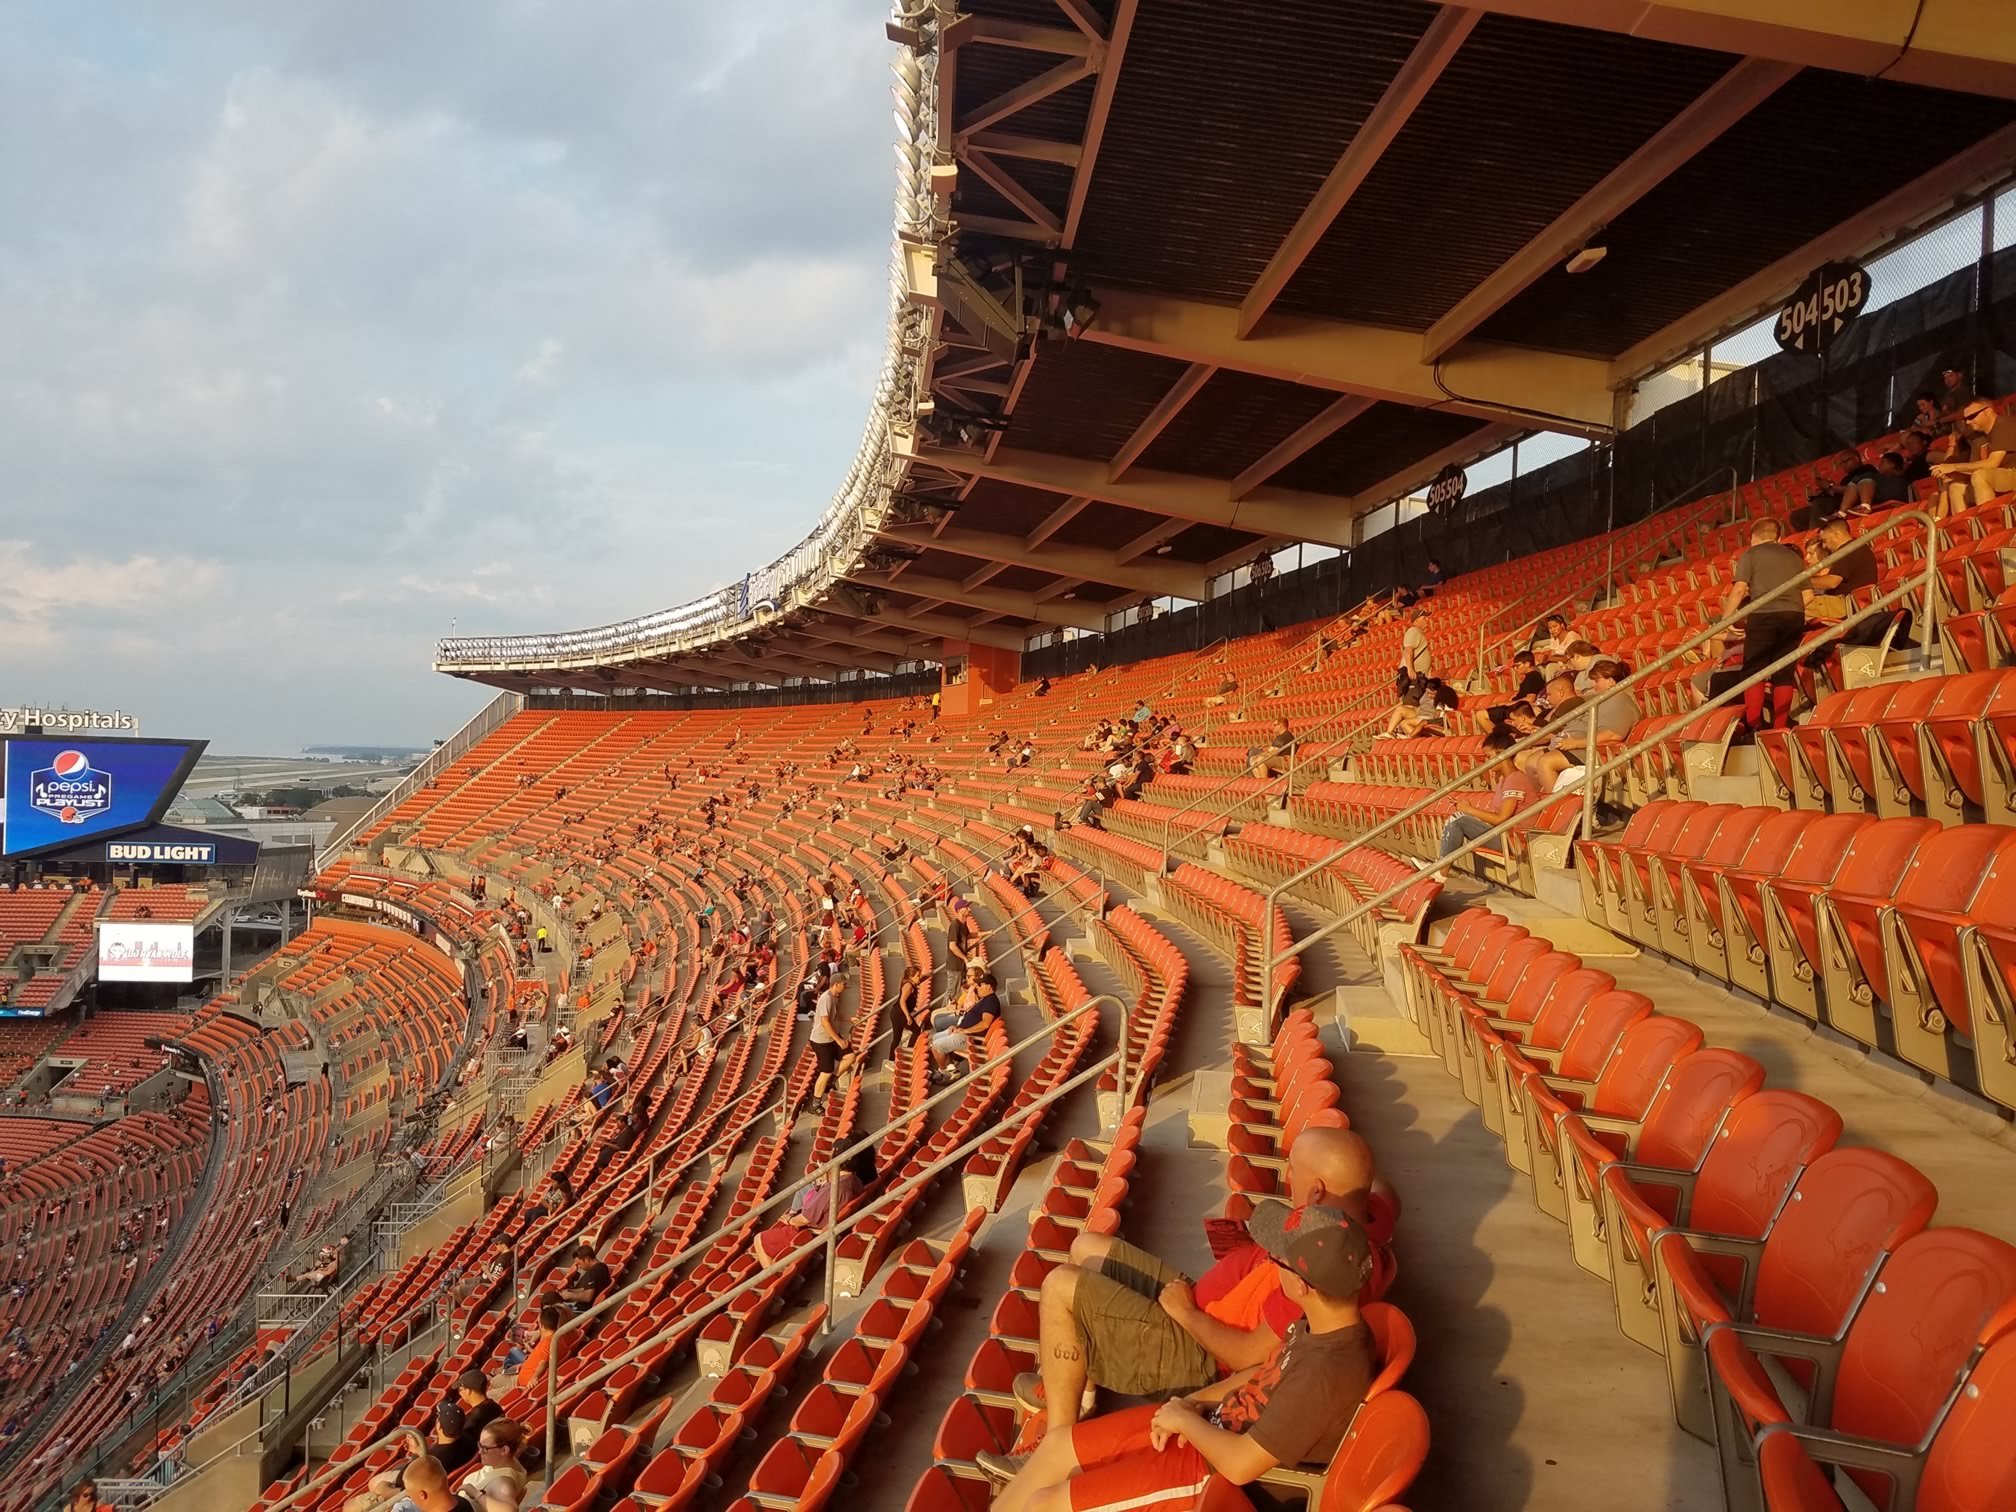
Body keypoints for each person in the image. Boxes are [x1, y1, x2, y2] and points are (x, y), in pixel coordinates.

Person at [994, 1128, 1391, 1464]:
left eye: (1293, 1174)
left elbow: (1245, 1357)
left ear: (1318, 1192)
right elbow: (1382, 1192)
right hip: (1201, 1303)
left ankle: (1055, 1448)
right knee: (1087, 1248)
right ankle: (1081, 1391)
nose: (1288, 1180)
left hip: (1199, 1350)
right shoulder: (1357, 1219)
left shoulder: (1314, 1272)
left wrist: (1184, 1313)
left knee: (1059, 1285)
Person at [981, 1201, 1380, 1507]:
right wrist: (1188, 1403)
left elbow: (1241, 1465)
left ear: (1303, 1285)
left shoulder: (1326, 1374)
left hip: (1211, 1474)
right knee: (1058, 1446)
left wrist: (1186, 1423)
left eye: (1277, 1261)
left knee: (1045, 1504)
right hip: (1208, 1424)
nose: (1272, 1269)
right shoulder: (1320, 1324)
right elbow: (1259, 1372)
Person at [1723, 517, 1807, 732]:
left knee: (1754, 671)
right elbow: (1807, 595)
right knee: (1783, 672)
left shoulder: (1751, 554)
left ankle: (1754, 724)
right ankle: (1780, 726)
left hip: (1764, 615)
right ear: (1778, 537)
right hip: (1794, 615)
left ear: (1753, 538)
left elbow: (1739, 589)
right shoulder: (1794, 557)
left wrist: (1726, 620)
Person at [756, 1147, 877, 1262]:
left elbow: (805, 1219)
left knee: (759, 1239)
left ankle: (773, 1277)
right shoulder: (855, 1180)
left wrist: (789, 1220)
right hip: (824, 1225)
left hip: (807, 1231)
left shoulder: (834, 1188)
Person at [1438, 730, 1542, 860]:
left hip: (1516, 841)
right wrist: (1470, 811)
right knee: (1460, 817)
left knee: (1458, 819)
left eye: (1489, 757)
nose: (1486, 761)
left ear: (1502, 754)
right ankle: (1440, 869)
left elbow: (1501, 819)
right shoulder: (1503, 780)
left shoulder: (1516, 780)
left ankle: (1440, 871)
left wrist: (1469, 810)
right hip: (1506, 835)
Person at [1933, 398, 2016, 516]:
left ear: (1987, 411)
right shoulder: (1979, 439)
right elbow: (1973, 469)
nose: (1967, 422)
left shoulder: (2003, 424)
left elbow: (1992, 464)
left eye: (1972, 416)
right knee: (1956, 488)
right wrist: (1949, 474)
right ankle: (1970, 532)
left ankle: (1991, 525)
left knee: (1981, 475)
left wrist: (1954, 467)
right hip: (2000, 477)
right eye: (1965, 419)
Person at [930, 971, 1002, 1081]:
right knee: (935, 1037)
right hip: (964, 1032)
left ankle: (944, 1072)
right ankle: (951, 1069)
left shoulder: (991, 1001)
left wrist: (965, 1031)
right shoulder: (985, 999)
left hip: (970, 1038)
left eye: (980, 985)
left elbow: (985, 1024)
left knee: (937, 1045)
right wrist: (957, 1027)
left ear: (989, 986)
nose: (977, 987)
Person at [457, 1419, 529, 1511]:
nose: (480, 1452)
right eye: (480, 1445)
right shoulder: (509, 1461)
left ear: (504, 1450)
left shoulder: (502, 1482)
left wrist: (476, 1494)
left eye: (485, 1448)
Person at [808, 966, 846, 1104]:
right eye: (844, 984)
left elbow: (836, 1016)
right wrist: (839, 1040)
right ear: (836, 984)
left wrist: (850, 1019)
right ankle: (816, 1102)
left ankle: (832, 1081)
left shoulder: (835, 997)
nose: (845, 987)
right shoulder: (826, 998)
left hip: (831, 1037)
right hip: (822, 1041)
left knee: (850, 1056)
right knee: (826, 1072)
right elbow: (825, 1022)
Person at [452, 1370, 501, 1437]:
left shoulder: (472, 1422)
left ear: (468, 1391)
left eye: (460, 1390)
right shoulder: (495, 1406)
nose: (459, 1393)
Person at [1397, 608, 1432, 690]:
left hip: (1420, 679)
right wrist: (1410, 669)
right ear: (1416, 621)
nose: (1427, 620)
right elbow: (1408, 650)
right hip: (1414, 680)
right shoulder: (1413, 631)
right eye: (1424, 618)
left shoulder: (1418, 632)